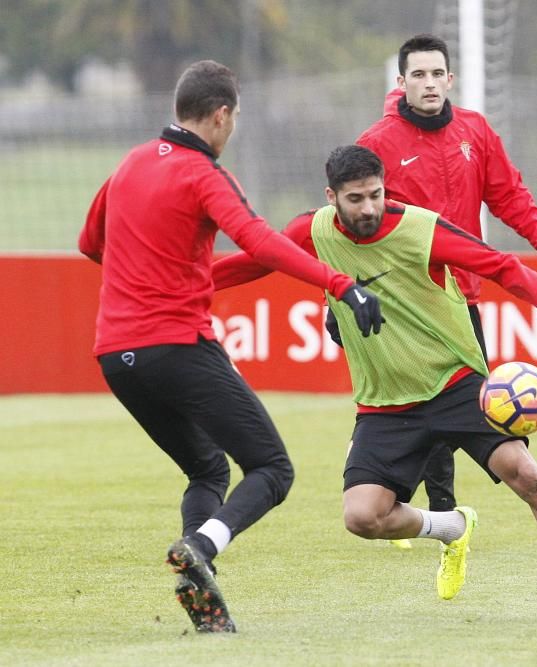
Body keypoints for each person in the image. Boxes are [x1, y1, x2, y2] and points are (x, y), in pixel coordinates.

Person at [211, 144, 537, 623]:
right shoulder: (311, 232)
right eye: (355, 199)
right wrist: (182, 283)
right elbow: (254, 261)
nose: (369, 208)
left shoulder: (419, 229)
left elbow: (497, 264)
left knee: (526, 476)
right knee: (362, 517)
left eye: (376, 195)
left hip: (455, 383)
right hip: (384, 404)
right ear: (331, 197)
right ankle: (452, 527)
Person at [77, 60, 383, 633]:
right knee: (272, 469)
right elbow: (259, 242)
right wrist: (341, 284)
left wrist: (148, 269)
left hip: (116, 356)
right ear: (220, 116)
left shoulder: (129, 164)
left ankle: (202, 587)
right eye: (234, 118)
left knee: (206, 470)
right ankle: (201, 545)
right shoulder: (203, 175)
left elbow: (90, 243)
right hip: (177, 345)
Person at [325, 34, 537, 536]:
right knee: (421, 408)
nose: (429, 83)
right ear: (402, 82)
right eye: (419, 74)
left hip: (463, 297)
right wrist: (338, 296)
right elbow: (347, 230)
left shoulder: (474, 131)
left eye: (437, 73)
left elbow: (508, 194)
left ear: (450, 79)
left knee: (473, 409)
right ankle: (443, 519)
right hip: (400, 301)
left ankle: (451, 513)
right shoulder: (377, 144)